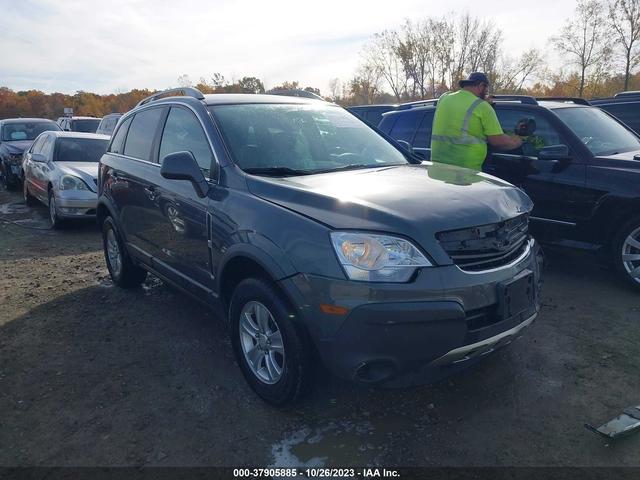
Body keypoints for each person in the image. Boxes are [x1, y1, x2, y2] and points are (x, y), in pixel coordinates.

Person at [430, 72, 523, 171]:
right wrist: (517, 141)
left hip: (437, 169)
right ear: (481, 86)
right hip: (465, 173)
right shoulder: (482, 107)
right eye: (486, 90)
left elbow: (459, 107)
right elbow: (497, 141)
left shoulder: (444, 98)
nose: (486, 93)